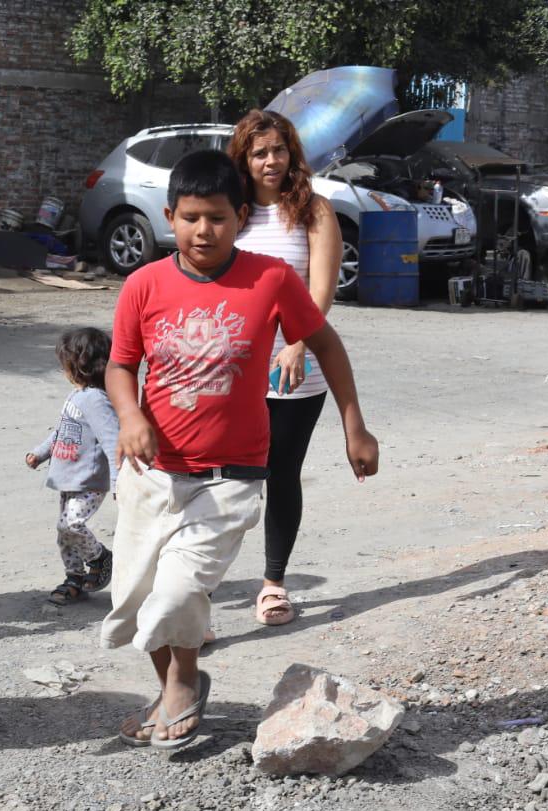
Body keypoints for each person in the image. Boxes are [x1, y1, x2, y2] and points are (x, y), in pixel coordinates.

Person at [101, 150, 378, 750]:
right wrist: (129, 415)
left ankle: (182, 685)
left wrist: (354, 425)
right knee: (136, 600)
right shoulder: (142, 284)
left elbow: (326, 347)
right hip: (152, 472)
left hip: (231, 475)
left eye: (219, 218)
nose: (205, 231)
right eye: (192, 217)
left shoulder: (270, 279)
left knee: (176, 594)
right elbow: (121, 365)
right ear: (169, 215)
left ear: (241, 216)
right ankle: (177, 685)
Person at [229, 109, 343, 627]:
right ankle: (201, 589)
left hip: (297, 371)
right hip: (232, 370)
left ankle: (273, 584)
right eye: (259, 153)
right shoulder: (232, 211)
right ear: (244, 160)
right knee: (225, 480)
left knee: (280, 475)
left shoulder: (314, 211)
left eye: (278, 150)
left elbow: (320, 290)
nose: (270, 161)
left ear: (291, 153)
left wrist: (297, 340)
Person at [26, 327, 120, 606]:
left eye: (64, 362)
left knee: (71, 524)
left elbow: (113, 440)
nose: (62, 368)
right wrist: (41, 452)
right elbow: (62, 431)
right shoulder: (77, 395)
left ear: (79, 364)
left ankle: (101, 558)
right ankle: (74, 578)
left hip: (89, 481)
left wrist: (118, 482)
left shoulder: (96, 399)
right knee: (64, 534)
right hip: (69, 477)